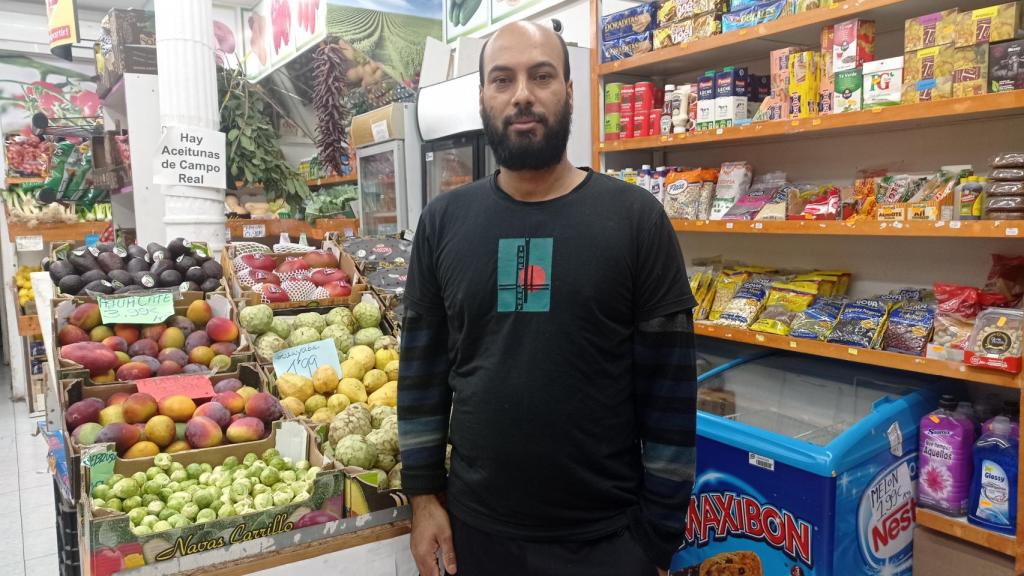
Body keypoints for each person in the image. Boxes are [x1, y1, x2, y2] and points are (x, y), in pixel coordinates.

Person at [398, 21, 697, 576]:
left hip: (608, 540)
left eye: (541, 76)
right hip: (476, 537)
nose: (522, 95)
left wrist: (658, 540)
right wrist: (423, 498)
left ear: (569, 91)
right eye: (502, 79)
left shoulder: (635, 220)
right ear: (483, 96)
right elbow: (421, 372)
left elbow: (670, 394)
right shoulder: (443, 222)